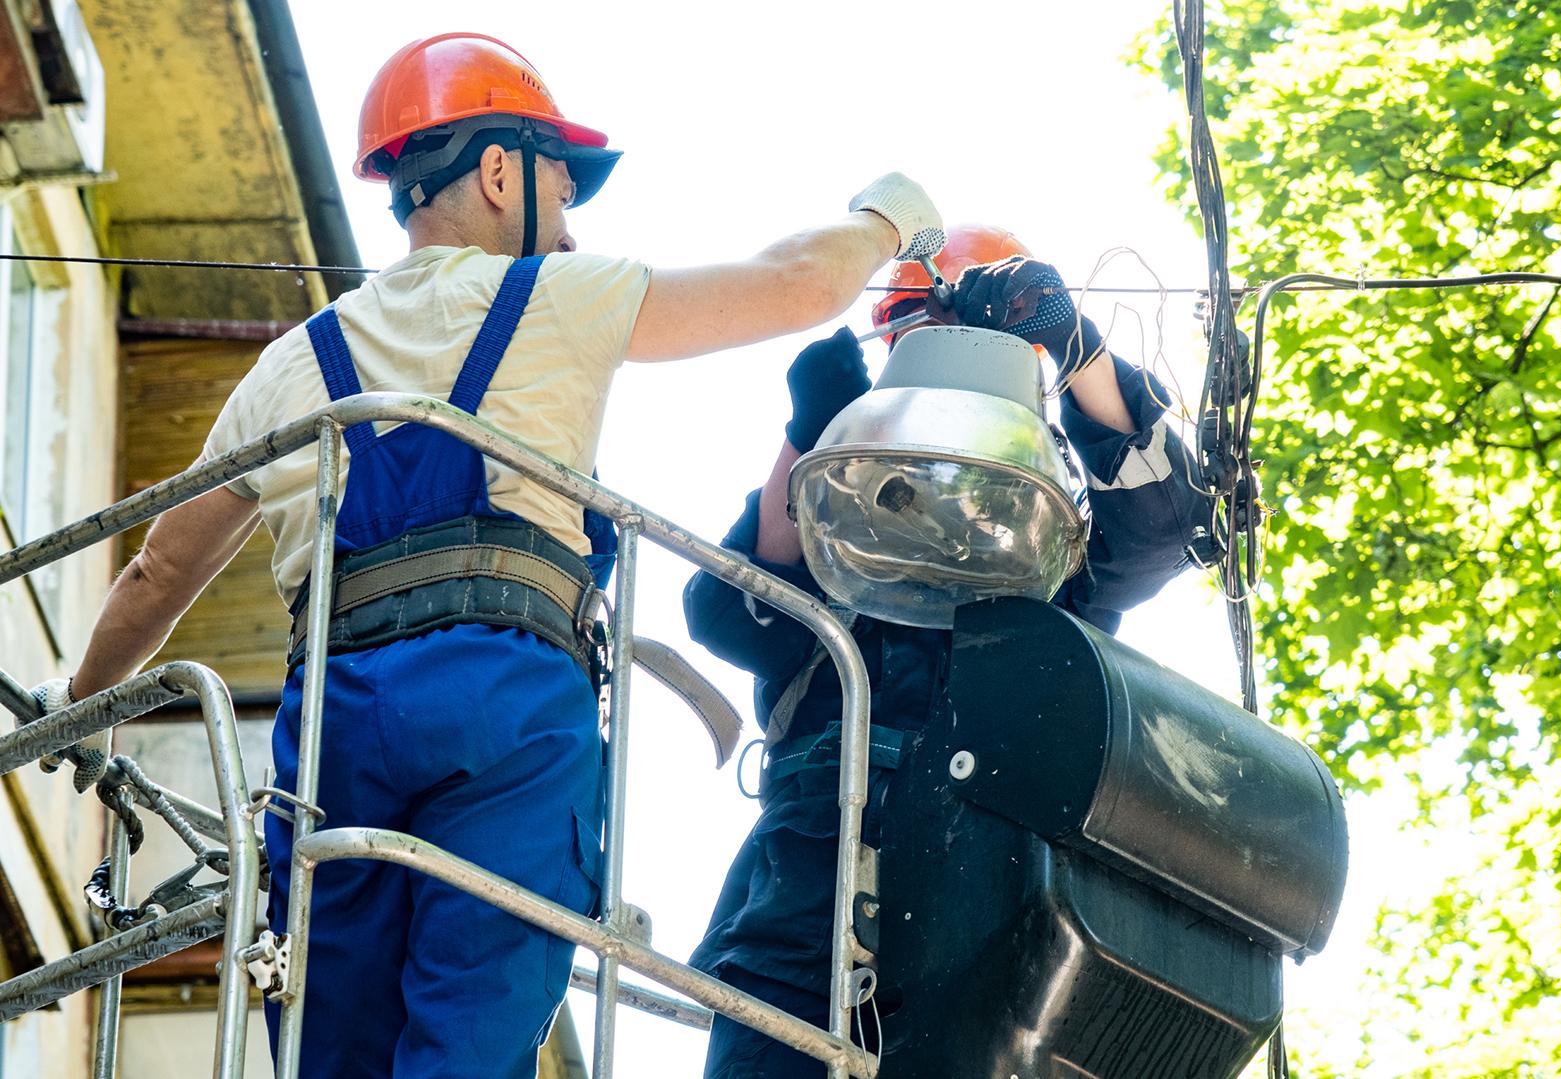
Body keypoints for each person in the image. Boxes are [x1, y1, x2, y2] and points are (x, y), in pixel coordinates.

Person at [27, 32, 942, 1079]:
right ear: (498, 170)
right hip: (509, 708)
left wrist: (80, 705)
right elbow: (795, 281)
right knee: (472, 1039)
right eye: (562, 181)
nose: (570, 217)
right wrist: (892, 212)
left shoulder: (289, 368)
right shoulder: (562, 298)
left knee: (332, 1050)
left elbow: (155, 576)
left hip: (338, 728)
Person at [682, 224, 1214, 1077]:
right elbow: (730, 608)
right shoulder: (835, 516)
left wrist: (1071, 344)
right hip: (810, 873)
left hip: (982, 873)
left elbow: (1157, 523)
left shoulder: (1050, 550)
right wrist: (809, 434)